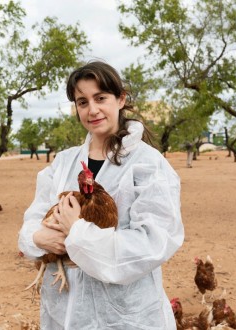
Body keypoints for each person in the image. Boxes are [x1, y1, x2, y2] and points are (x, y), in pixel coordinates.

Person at [18, 61, 184, 329]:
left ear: (120, 99)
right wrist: (37, 237)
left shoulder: (148, 164)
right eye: (82, 102)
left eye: (100, 98)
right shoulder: (63, 162)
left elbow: (154, 243)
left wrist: (77, 232)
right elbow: (34, 219)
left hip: (126, 316)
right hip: (64, 312)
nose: (92, 109)